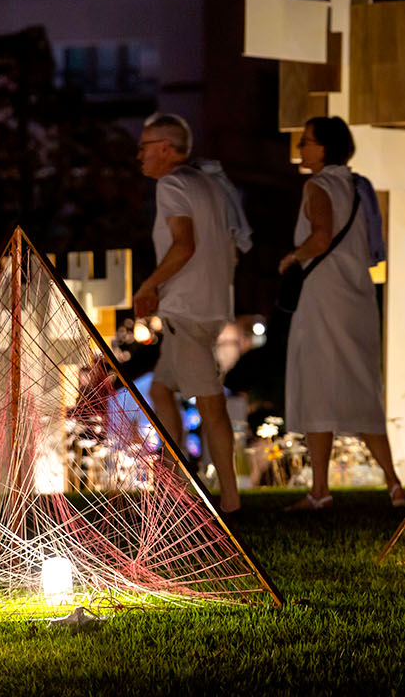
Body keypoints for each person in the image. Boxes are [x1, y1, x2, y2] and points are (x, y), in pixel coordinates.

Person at [276, 116, 405, 510]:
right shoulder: (358, 186)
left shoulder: (317, 185)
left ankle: (320, 490)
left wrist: (293, 257)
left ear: (324, 148)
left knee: (318, 384)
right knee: (362, 386)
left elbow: (321, 237)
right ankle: (394, 484)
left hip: (324, 295)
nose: (300, 147)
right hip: (358, 295)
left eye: (307, 141)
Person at [131, 112, 244, 513]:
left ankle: (228, 499)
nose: (139, 155)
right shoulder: (207, 183)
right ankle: (175, 481)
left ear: (165, 147)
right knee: (161, 389)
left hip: (188, 309)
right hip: (211, 303)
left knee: (210, 403)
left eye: (144, 146)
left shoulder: (171, 184)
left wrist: (148, 286)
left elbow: (184, 244)